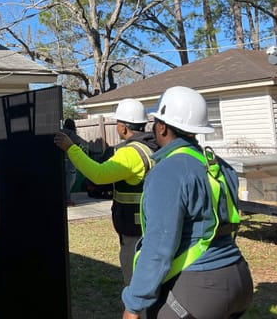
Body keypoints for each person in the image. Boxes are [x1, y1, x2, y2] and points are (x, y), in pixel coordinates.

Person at [122, 86, 253, 319]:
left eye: (156, 122)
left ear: (162, 127)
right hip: (238, 276)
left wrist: (134, 305)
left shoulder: (167, 171)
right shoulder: (218, 164)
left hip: (201, 287)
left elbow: (158, 246)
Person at [54, 99, 158, 288]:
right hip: (151, 227)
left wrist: (70, 148)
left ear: (123, 127)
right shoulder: (152, 147)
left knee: (137, 291)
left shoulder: (130, 153)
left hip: (136, 236)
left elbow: (99, 175)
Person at [61, 119, 86, 206]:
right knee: (70, 181)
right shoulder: (72, 134)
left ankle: (65, 199)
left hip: (60, 160)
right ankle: (67, 199)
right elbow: (78, 144)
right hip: (70, 160)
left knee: (63, 181)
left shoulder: (61, 132)